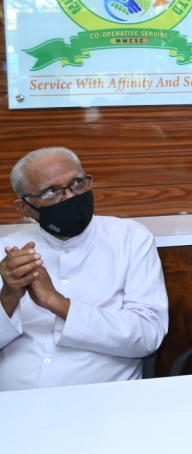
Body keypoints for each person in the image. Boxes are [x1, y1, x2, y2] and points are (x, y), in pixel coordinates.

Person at [0, 147, 168, 391]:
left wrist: (57, 303)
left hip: (101, 399)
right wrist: (8, 297)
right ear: (25, 208)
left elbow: (148, 335)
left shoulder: (129, 238)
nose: (70, 197)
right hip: (13, 402)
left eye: (77, 183)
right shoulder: (7, 253)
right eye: (51, 192)